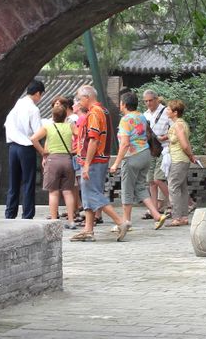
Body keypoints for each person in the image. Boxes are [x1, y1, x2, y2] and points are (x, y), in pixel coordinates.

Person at [71, 85, 130, 242]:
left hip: (94, 160)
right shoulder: (102, 111)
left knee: (93, 193)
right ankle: (88, 229)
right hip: (99, 159)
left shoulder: (95, 113)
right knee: (89, 193)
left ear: (87, 97)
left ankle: (120, 222)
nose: (78, 102)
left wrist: (87, 164)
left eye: (79, 99)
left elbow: (93, 140)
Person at [109, 92, 167, 230]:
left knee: (127, 189)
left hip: (132, 157)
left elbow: (124, 144)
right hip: (145, 154)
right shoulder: (142, 116)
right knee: (140, 187)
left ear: (124, 104)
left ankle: (126, 222)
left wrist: (116, 163)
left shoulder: (125, 120)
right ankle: (157, 216)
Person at [32, 102, 79, 229]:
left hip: (52, 160)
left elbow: (33, 139)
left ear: (53, 116)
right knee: (68, 191)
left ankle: (54, 222)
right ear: (65, 116)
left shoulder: (48, 127)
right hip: (67, 160)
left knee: (53, 192)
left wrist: (43, 152)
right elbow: (80, 135)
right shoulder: (70, 126)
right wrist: (77, 149)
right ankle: (71, 220)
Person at [3, 79, 45, 219]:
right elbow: (38, 131)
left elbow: (7, 124)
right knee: (28, 182)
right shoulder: (33, 109)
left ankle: (10, 213)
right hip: (26, 148)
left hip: (12, 147)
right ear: (38, 93)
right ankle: (27, 215)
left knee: (13, 182)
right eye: (41, 95)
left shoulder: (16, 103)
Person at [164, 99, 201, 227]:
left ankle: (177, 217)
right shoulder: (182, 124)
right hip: (182, 159)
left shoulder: (177, 125)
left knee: (173, 186)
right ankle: (184, 216)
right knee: (182, 187)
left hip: (178, 159)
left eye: (168, 109)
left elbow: (184, 144)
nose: (166, 111)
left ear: (175, 112)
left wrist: (191, 155)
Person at [142, 89, 172, 216]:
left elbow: (175, 128)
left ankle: (173, 203)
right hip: (151, 149)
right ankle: (154, 210)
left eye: (150, 100)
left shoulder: (166, 111)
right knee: (151, 181)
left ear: (156, 99)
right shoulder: (145, 115)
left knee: (158, 179)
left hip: (164, 148)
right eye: (146, 101)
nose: (149, 103)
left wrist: (165, 137)